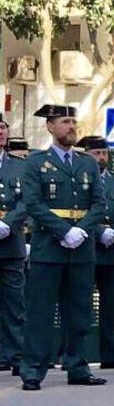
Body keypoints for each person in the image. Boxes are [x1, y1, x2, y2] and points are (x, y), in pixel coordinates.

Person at [19, 104, 108, 390]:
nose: (71, 126)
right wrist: (63, 231)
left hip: (81, 248)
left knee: (79, 311)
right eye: (65, 122)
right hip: (50, 247)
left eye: (73, 121)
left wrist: (81, 230)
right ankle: (33, 369)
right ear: (50, 127)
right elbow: (33, 203)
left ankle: (77, 365)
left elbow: (98, 203)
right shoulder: (35, 162)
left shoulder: (87, 163)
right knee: (40, 312)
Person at [78, 135, 114, 370]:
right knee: (81, 306)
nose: (101, 158)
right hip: (88, 249)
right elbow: (80, 212)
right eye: (96, 153)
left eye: (104, 153)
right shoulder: (80, 179)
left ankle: (110, 355)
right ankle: (78, 355)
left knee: (111, 308)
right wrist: (99, 233)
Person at [0, 114, 29, 375]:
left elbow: (26, 200)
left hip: (10, 243)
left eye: (2, 127)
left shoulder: (19, 166)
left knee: (14, 303)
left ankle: (16, 354)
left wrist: (8, 223)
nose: (0, 132)